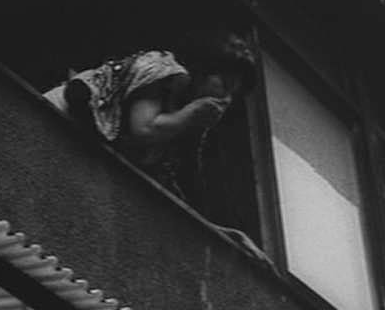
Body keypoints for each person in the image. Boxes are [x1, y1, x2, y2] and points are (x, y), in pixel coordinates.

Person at [42, 27, 256, 199]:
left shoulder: (186, 117)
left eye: (233, 94)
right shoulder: (164, 69)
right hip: (54, 123)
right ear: (203, 69)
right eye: (225, 85)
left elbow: (176, 178)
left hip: (81, 159)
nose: (226, 98)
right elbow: (144, 128)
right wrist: (191, 114)